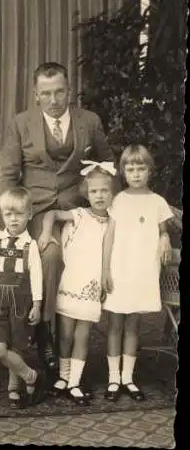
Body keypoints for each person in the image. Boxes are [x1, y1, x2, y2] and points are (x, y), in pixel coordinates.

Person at [0, 62, 114, 372]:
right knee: (50, 256)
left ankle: (74, 336)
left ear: (69, 91)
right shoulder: (20, 124)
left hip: (78, 208)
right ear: (36, 95)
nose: (53, 99)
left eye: (59, 91)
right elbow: (7, 174)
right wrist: (10, 216)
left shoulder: (89, 120)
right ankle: (45, 333)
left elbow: (107, 164)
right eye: (45, 93)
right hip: (35, 209)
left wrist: (96, 196)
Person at [38, 161, 116, 405]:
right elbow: (51, 213)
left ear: (112, 193)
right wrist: (46, 232)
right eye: (94, 191)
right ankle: (63, 377)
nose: (99, 196)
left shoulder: (113, 223)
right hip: (71, 282)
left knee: (83, 336)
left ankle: (75, 382)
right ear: (86, 193)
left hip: (91, 286)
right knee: (65, 335)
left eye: (104, 191)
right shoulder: (79, 215)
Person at [102, 144, 173, 402]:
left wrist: (164, 237)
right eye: (130, 168)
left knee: (133, 326)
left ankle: (128, 379)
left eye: (141, 168)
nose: (136, 173)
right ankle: (112, 378)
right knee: (115, 325)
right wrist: (105, 271)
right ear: (123, 171)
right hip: (120, 271)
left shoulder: (158, 202)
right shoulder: (118, 200)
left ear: (149, 171)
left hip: (142, 272)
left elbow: (164, 229)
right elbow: (109, 238)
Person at [0, 187, 44, 408]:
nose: (13, 219)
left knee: (17, 347)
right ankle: (30, 375)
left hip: (20, 304)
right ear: (2, 215)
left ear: (29, 214)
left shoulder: (30, 245)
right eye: (8, 214)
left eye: (19, 213)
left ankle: (13, 387)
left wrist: (37, 305)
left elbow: (36, 277)